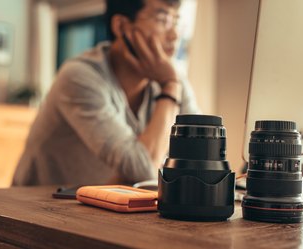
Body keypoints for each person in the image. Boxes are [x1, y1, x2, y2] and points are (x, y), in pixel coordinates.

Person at [12, 0, 199, 186]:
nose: (175, 35)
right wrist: (170, 87)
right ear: (122, 26)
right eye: (162, 19)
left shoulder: (173, 79)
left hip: (102, 207)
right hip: (39, 207)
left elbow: (201, 154)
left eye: (175, 21)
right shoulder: (79, 76)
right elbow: (145, 171)